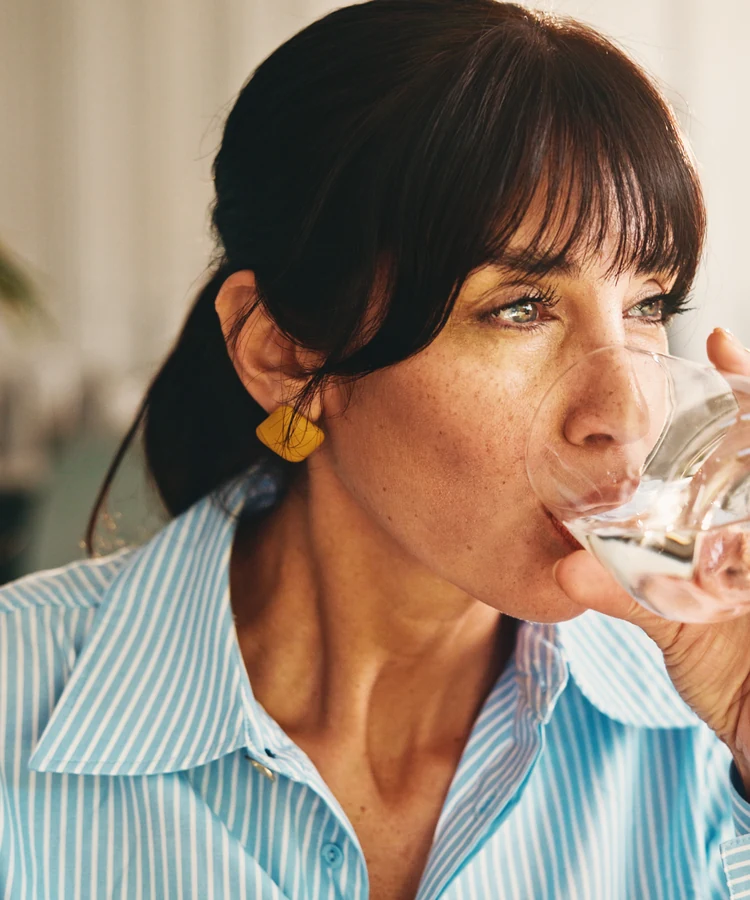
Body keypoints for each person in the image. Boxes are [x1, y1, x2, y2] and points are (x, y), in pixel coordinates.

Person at [3, 1, 750, 897]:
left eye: (646, 308)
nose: (627, 411)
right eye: (519, 307)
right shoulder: (20, 705)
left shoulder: (706, 718)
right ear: (282, 352)